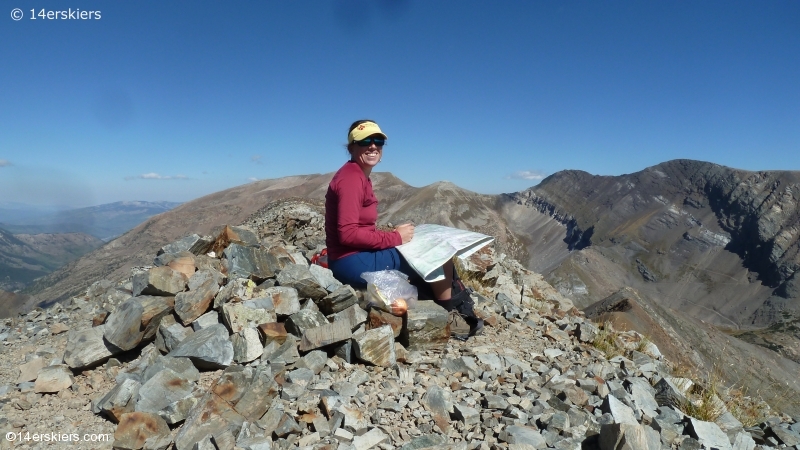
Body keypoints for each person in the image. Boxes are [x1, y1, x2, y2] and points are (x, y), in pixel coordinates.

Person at [324, 119, 483, 337]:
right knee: (439, 255)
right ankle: (449, 319)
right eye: (364, 141)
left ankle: (437, 300)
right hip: (351, 260)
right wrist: (395, 238)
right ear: (351, 147)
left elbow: (358, 227)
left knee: (424, 245)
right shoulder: (352, 179)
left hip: (353, 256)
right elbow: (348, 234)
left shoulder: (357, 174)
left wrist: (391, 236)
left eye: (378, 140)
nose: (372, 146)